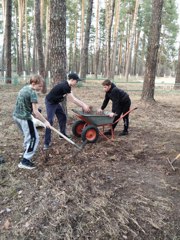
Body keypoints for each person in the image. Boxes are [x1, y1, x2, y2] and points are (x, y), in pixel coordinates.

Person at [44, 72, 90, 150]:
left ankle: (62, 134)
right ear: (72, 80)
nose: (77, 82)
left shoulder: (68, 86)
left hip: (56, 102)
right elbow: (73, 100)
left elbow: (74, 97)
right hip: (50, 103)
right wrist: (83, 105)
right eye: (76, 81)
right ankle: (46, 143)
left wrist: (83, 104)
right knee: (49, 121)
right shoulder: (65, 86)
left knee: (63, 117)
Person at [13, 75, 51, 170]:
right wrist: (45, 122)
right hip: (25, 118)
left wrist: (35, 110)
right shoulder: (33, 93)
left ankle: (27, 149)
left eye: (42, 86)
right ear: (33, 84)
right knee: (34, 138)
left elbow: (25, 103)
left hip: (16, 116)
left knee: (27, 135)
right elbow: (35, 112)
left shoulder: (24, 88)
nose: (41, 88)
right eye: (40, 86)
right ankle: (25, 161)